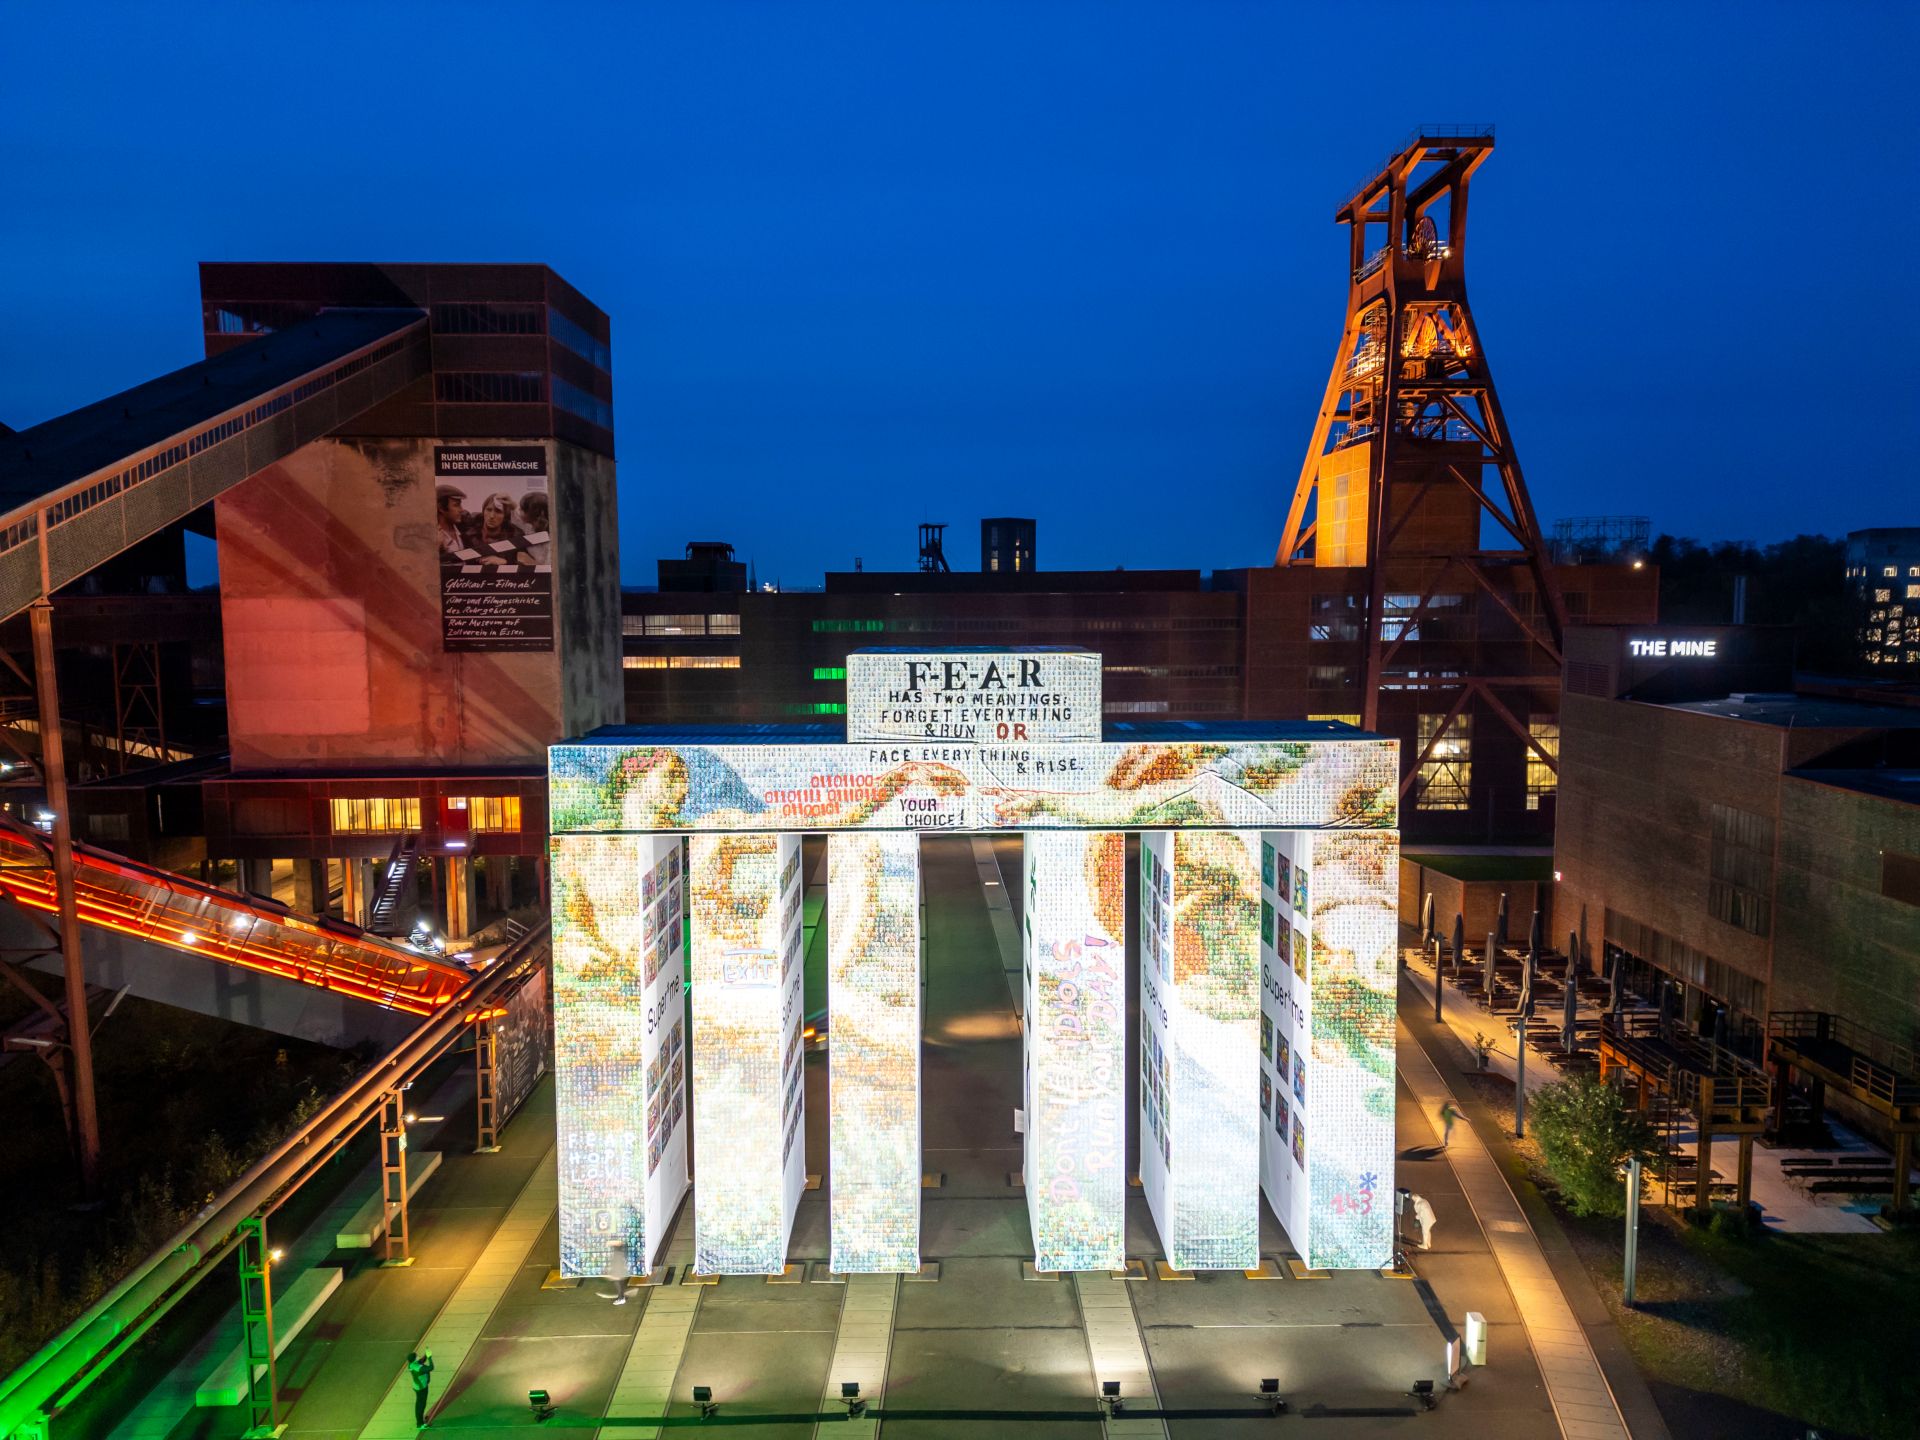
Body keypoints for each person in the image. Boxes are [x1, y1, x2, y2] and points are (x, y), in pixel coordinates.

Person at [462, 492, 535, 567]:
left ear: (505, 516)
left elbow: (525, 563)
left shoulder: (515, 534)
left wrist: (505, 562)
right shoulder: (469, 536)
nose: (492, 516)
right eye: (489, 510)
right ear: (483, 511)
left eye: (498, 511)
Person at [435, 486, 468, 567]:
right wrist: (435, 548)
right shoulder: (431, 536)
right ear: (441, 508)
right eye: (456, 505)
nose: (462, 509)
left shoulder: (464, 532)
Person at [407, 1348, 435, 1427]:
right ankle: (420, 1424)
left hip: (420, 1386)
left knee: (421, 1404)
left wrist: (426, 1354)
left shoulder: (413, 1364)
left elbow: (421, 1361)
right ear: (414, 1359)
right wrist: (429, 1358)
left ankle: (421, 1420)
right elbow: (431, 1368)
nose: (418, 1356)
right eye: (417, 1356)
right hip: (421, 1388)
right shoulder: (417, 1368)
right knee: (421, 1405)